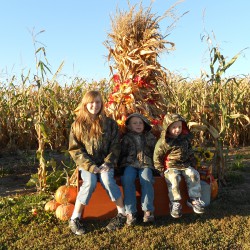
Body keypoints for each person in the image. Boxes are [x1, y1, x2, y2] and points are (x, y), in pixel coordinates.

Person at [68, 90, 126, 235]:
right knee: (90, 182)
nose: (95, 105)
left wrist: (108, 163)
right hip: (87, 164)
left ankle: (122, 214)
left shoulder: (110, 124)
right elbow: (75, 150)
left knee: (107, 180)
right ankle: (75, 218)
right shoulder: (77, 125)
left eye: (98, 102)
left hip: (106, 163)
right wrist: (90, 166)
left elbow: (115, 146)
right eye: (91, 102)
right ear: (85, 104)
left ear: (102, 104)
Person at [153, 113, 205, 219]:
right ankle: (175, 203)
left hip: (184, 165)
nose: (177, 130)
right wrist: (160, 169)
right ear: (167, 127)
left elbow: (190, 152)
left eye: (180, 127)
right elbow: (157, 156)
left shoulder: (184, 139)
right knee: (174, 178)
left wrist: (194, 164)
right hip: (171, 166)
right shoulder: (164, 142)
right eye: (174, 127)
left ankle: (194, 199)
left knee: (193, 174)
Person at [119, 113, 157, 225]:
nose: (138, 125)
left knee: (146, 178)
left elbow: (155, 151)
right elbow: (122, 152)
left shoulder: (150, 137)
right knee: (127, 179)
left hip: (146, 163)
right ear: (129, 126)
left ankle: (148, 210)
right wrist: (119, 165)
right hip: (130, 164)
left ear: (145, 125)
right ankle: (130, 212)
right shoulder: (126, 138)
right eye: (135, 123)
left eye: (140, 123)